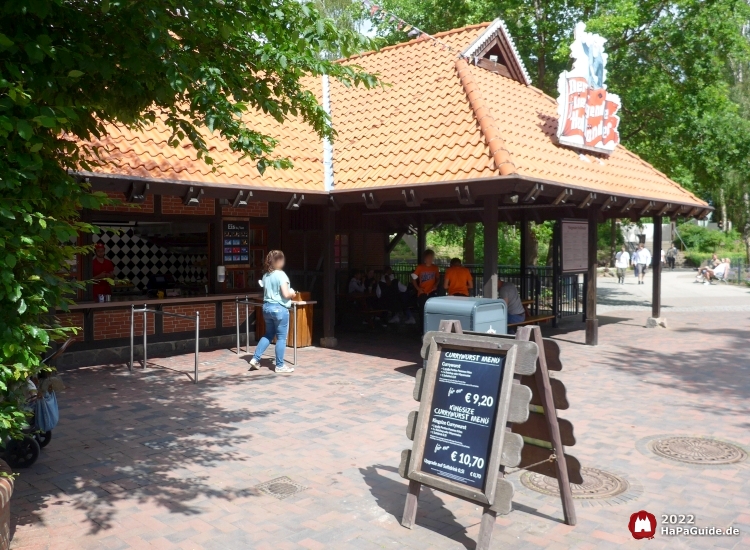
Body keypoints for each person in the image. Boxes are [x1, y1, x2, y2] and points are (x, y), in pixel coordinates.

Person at [249, 250, 296, 374]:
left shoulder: (266, 276)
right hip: (280, 308)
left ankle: (255, 358)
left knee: (268, 334)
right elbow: (286, 294)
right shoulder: (281, 275)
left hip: (267, 307)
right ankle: (279, 365)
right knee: (281, 338)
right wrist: (293, 293)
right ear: (279, 261)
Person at [412, 250, 440, 325]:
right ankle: (422, 329)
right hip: (423, 292)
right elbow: (413, 279)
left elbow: (438, 278)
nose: (430, 259)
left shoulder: (435, 268)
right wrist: (418, 289)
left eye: (431, 257)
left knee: (433, 310)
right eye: (428, 258)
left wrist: (435, 285)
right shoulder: (420, 267)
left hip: (432, 292)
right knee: (422, 311)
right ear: (425, 258)